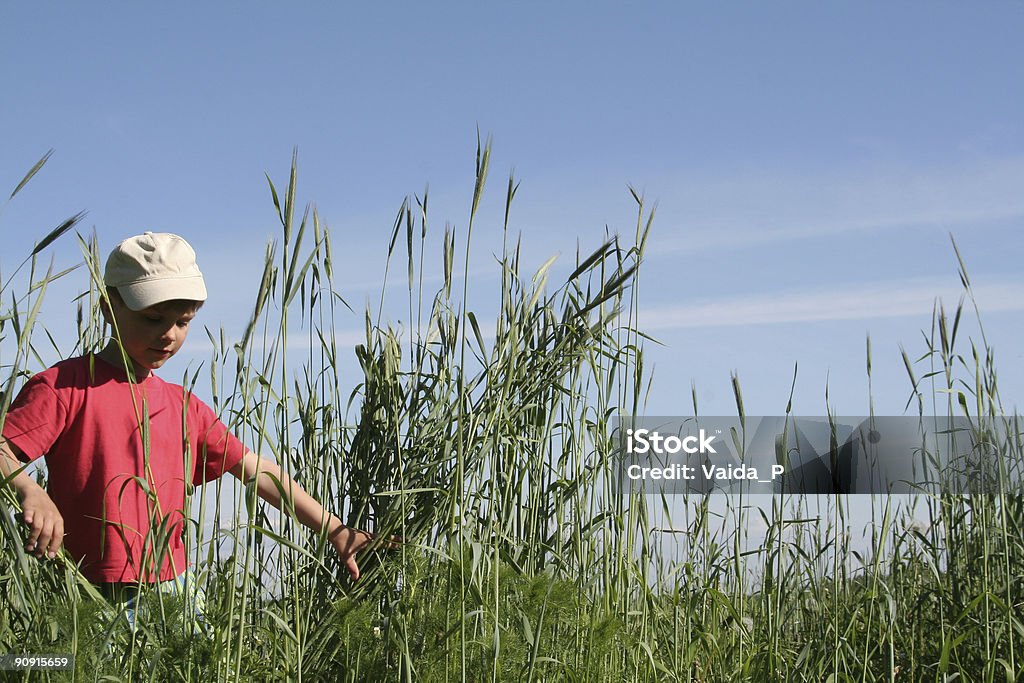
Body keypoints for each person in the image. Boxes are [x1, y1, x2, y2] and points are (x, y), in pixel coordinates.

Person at [0, 232, 376, 619]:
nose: (168, 334)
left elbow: (257, 470)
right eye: (153, 318)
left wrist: (334, 529)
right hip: (87, 593)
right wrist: (30, 489)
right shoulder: (65, 386)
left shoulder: (184, 406)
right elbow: (3, 451)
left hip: (174, 590)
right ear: (108, 308)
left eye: (182, 321)